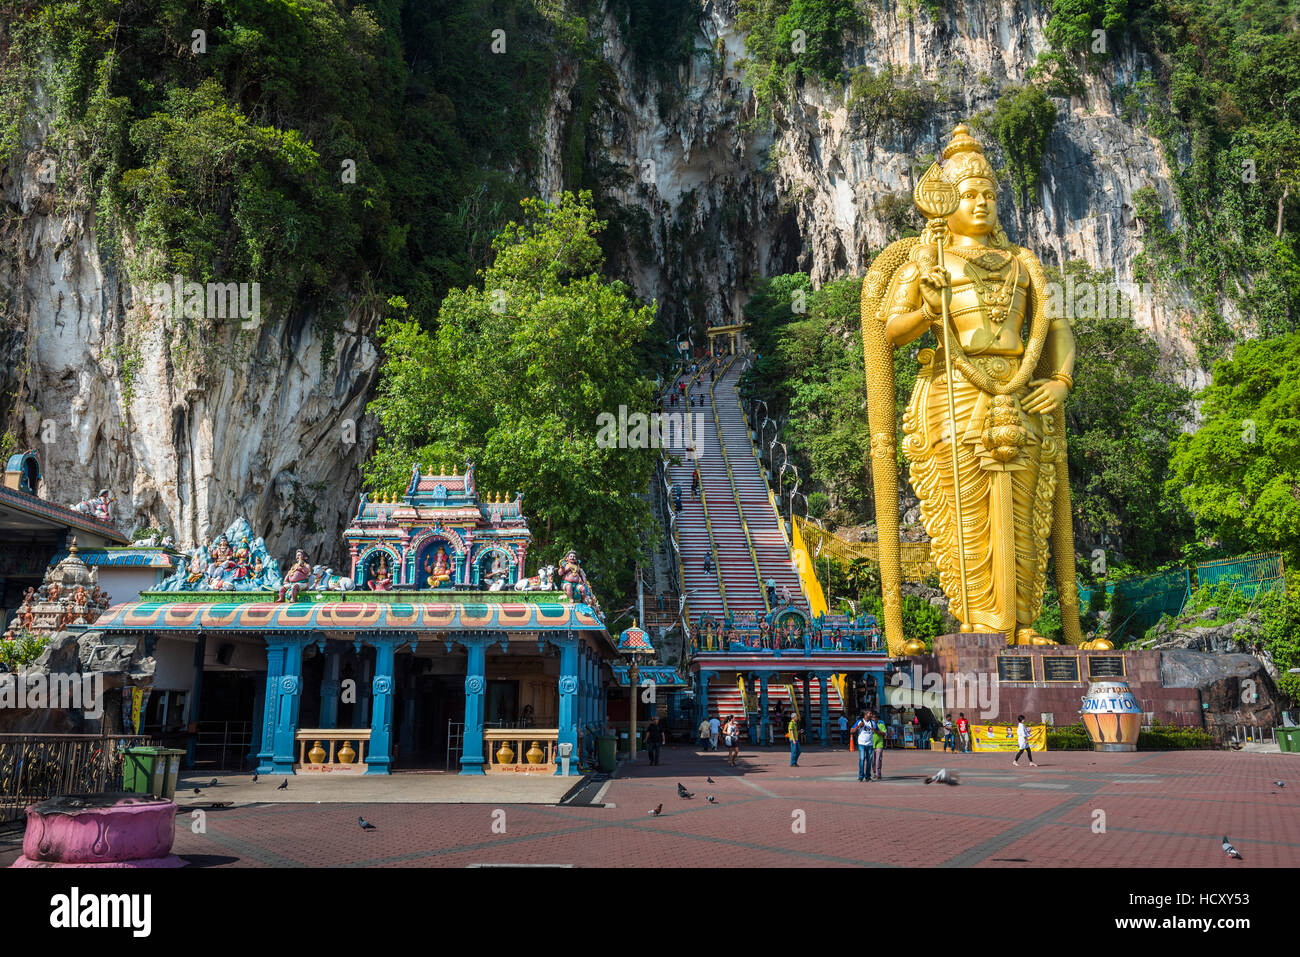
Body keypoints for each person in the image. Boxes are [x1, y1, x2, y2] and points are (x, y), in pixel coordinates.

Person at [850, 711, 872, 781]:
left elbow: (877, 730)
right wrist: (859, 726)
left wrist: (878, 731)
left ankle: (868, 776)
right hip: (862, 744)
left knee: (869, 761)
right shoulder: (859, 721)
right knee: (862, 759)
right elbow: (851, 731)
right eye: (870, 713)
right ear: (866, 715)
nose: (871, 715)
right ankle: (861, 776)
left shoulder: (872, 722)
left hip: (870, 744)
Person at [869, 710, 886, 780]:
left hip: (879, 744)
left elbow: (884, 733)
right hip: (871, 744)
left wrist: (876, 731)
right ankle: (875, 772)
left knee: (878, 759)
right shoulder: (869, 725)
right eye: (872, 717)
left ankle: (878, 774)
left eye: (874, 717)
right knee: (872, 760)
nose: (873, 719)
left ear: (877, 718)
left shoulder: (881, 725)